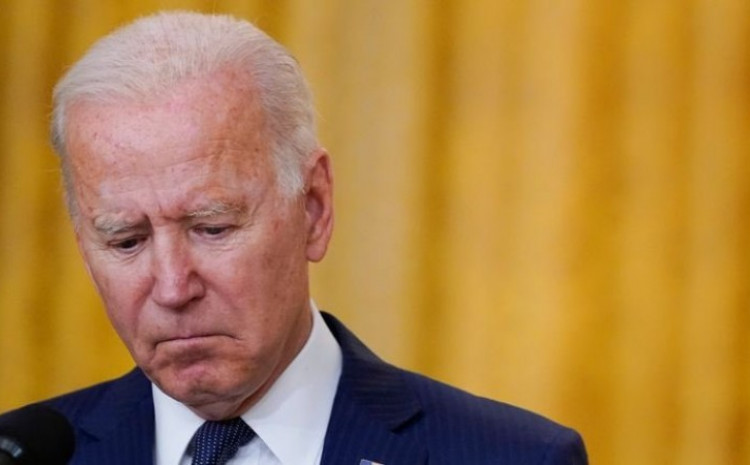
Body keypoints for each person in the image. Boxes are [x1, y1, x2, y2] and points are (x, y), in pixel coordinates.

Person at [27, 11, 585, 464]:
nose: (173, 288)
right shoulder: (26, 454)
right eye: (126, 241)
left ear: (313, 208)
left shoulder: (510, 456)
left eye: (212, 228)